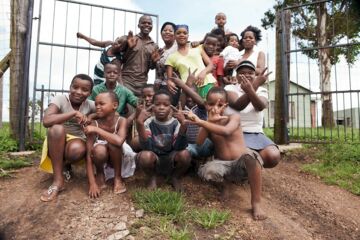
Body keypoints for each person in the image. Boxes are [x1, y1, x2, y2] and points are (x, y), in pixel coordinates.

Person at [185, 87, 266, 220]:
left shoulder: (233, 117)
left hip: (241, 162)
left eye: (220, 104)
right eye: (211, 104)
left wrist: (201, 122)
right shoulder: (207, 123)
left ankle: (256, 203)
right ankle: (225, 185)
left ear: (226, 105)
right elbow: (199, 142)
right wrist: (208, 122)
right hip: (223, 166)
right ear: (206, 105)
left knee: (250, 157)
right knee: (208, 170)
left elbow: (227, 131)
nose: (215, 108)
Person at [39, 74, 95, 202]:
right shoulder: (60, 99)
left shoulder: (90, 105)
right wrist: (74, 113)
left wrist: (92, 117)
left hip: (76, 141)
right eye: (75, 87)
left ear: (90, 93)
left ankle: (66, 165)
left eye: (85, 90)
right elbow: (47, 120)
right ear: (70, 87)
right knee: (57, 128)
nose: (79, 92)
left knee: (77, 149)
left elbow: (108, 112)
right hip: (56, 140)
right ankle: (58, 181)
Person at [225, 60, 280, 169]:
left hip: (256, 133)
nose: (246, 75)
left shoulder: (261, 90)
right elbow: (238, 106)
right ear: (236, 75)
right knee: (246, 155)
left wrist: (251, 88)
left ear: (255, 75)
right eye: (242, 72)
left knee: (272, 156)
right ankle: (246, 169)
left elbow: (260, 106)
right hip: (236, 132)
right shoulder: (229, 88)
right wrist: (254, 86)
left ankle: (252, 167)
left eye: (250, 73)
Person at [136, 90, 191, 191]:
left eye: (166, 105)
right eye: (157, 104)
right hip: (154, 158)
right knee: (145, 156)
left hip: (171, 158)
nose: (161, 107)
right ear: (152, 106)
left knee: (185, 154)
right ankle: (152, 177)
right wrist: (139, 123)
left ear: (171, 107)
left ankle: (176, 177)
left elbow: (179, 147)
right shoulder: (149, 122)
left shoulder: (175, 123)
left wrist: (183, 125)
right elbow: (146, 147)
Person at [84, 92, 128, 198]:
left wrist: (96, 130)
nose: (97, 107)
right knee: (98, 150)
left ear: (115, 105)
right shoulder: (94, 123)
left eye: (102, 104)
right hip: (102, 157)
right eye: (96, 104)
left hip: (119, 157)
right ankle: (99, 173)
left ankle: (118, 177)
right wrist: (92, 183)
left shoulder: (122, 121)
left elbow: (118, 141)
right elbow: (89, 155)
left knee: (113, 143)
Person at [170, 70, 214, 160]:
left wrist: (184, 85)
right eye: (187, 96)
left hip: (203, 144)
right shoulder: (183, 108)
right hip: (189, 145)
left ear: (196, 94)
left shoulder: (201, 109)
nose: (190, 99)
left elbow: (202, 103)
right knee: (183, 150)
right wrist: (187, 84)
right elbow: (180, 106)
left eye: (192, 95)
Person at [166, 24, 217, 100]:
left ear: (188, 35)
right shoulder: (171, 57)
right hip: (189, 89)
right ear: (174, 36)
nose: (182, 35)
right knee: (194, 111)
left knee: (211, 109)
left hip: (207, 83)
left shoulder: (197, 48)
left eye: (184, 33)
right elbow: (170, 78)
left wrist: (204, 72)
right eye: (178, 33)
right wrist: (169, 82)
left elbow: (210, 65)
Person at [121, 15, 160, 96]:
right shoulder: (131, 39)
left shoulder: (154, 46)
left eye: (149, 23)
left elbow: (151, 67)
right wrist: (128, 47)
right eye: (144, 23)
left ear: (152, 26)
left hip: (142, 83)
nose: (147, 25)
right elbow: (121, 58)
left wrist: (154, 61)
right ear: (138, 25)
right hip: (127, 81)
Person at [155, 22, 178, 89]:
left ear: (175, 34)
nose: (167, 32)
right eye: (164, 30)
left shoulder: (179, 47)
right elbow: (159, 73)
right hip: (162, 86)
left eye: (170, 31)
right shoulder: (161, 50)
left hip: (176, 86)